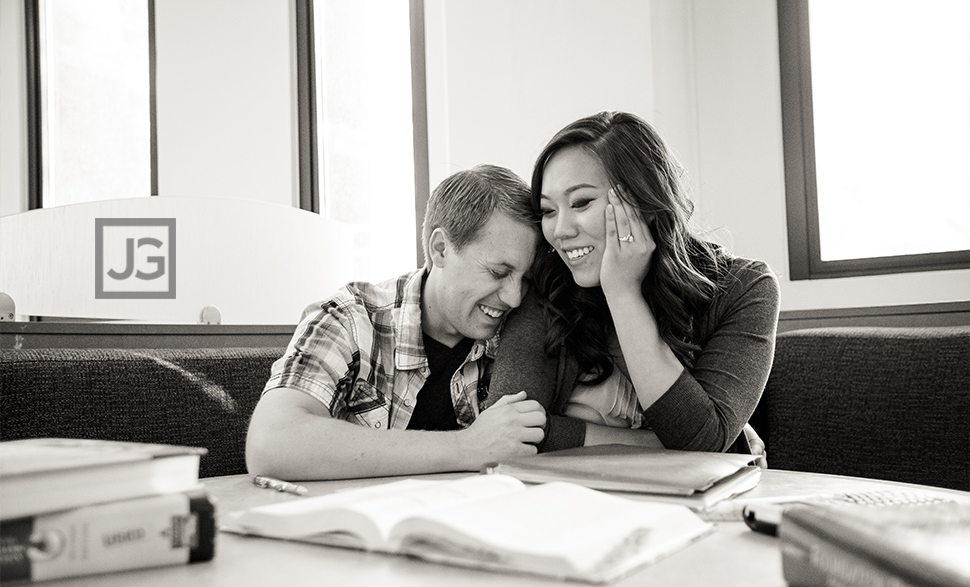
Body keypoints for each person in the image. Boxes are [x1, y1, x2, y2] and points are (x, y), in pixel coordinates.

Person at [486, 111, 779, 455]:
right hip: (569, 499)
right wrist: (655, 442)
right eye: (548, 211)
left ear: (643, 201)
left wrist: (623, 293)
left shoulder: (745, 288)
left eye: (581, 202)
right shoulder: (548, 285)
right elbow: (509, 432)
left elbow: (701, 440)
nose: (561, 231)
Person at [246, 164, 546, 480]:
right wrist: (466, 446)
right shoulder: (350, 318)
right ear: (440, 249)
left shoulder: (517, 333)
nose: (514, 298)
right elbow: (271, 444)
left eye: (524, 279)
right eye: (498, 273)